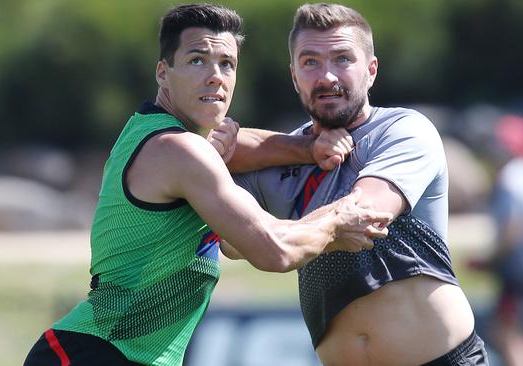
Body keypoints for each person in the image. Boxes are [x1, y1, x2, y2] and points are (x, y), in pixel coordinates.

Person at [22, 4, 393, 366]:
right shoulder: (179, 150)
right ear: (163, 73)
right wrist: (337, 221)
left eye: (227, 64)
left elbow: (235, 166)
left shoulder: (164, 135)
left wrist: (306, 147)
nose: (215, 76)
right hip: (92, 353)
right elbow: (274, 250)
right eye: (197, 60)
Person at [230, 3, 488, 365]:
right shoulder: (280, 157)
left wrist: (278, 238)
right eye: (310, 62)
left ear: (371, 71)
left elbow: (364, 214)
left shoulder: (403, 130)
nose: (327, 77)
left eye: (342, 59)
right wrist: (292, 148)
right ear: (294, 77)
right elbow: (231, 240)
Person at [467, 115, 523, 366]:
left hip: (516, 260)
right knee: (509, 330)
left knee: (509, 333)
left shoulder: (514, 175)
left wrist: (492, 258)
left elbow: (514, 225)